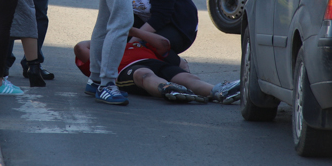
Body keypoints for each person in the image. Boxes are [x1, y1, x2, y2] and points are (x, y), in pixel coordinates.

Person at [73, 28, 241, 104]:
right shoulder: (103, 54)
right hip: (128, 71)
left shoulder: (137, 44)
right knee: (144, 74)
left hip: (156, 63)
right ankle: (167, 89)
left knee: (187, 77)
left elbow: (164, 44)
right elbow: (80, 48)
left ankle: (218, 91)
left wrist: (132, 31)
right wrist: (106, 38)